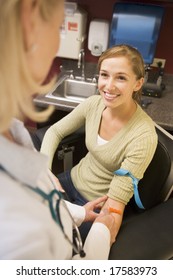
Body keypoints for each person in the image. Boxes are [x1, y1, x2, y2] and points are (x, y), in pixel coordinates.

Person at [0, 0, 117, 260]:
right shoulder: (17, 235)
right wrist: (100, 232)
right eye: (60, 25)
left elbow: (39, 199)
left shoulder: (11, 130)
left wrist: (78, 214)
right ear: (31, 21)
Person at [40, 44, 158, 240]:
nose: (108, 86)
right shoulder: (94, 104)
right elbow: (55, 131)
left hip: (96, 204)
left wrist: (105, 233)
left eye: (121, 77)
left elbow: (116, 204)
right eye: (104, 75)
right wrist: (45, 171)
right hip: (69, 181)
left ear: (138, 83)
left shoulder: (143, 137)